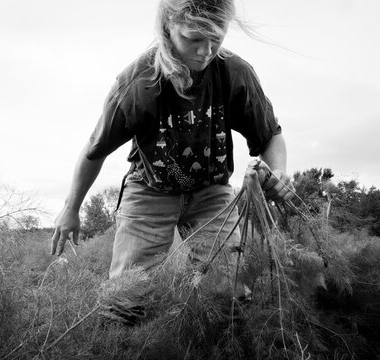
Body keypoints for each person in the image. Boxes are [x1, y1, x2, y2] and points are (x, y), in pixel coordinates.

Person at [51, 0, 295, 280]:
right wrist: (71, 208)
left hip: (211, 191)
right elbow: (95, 151)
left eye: (216, 38)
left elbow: (269, 136)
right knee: (128, 296)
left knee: (225, 289)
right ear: (169, 27)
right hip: (149, 191)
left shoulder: (234, 73)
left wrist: (279, 172)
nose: (206, 51)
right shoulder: (138, 82)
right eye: (194, 39)